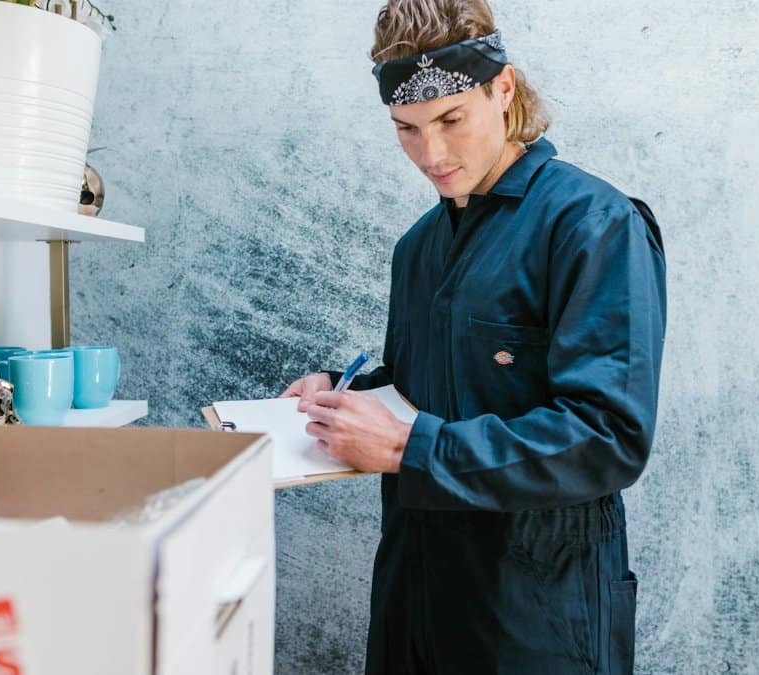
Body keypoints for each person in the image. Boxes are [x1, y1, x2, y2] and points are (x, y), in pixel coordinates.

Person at [281, 0, 666, 672]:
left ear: (504, 88)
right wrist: (340, 395)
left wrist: (408, 446)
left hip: (536, 620)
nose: (430, 153)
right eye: (406, 128)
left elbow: (609, 436)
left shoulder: (593, 225)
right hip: (414, 608)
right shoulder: (418, 248)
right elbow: (431, 386)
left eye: (451, 119)